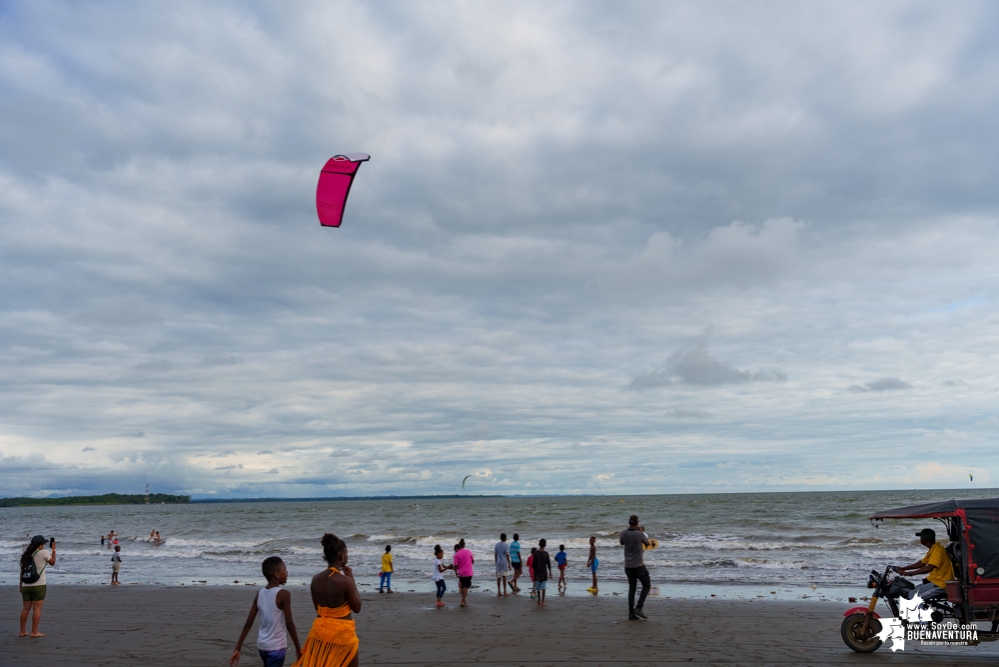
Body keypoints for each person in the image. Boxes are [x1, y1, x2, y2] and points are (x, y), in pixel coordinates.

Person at [293, 534, 361, 667]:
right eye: (346, 554)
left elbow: (319, 610)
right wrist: (352, 579)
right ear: (341, 556)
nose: (347, 556)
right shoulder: (346, 581)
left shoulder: (315, 579)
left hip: (320, 634)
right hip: (343, 637)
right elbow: (357, 607)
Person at [231, 557, 303, 667]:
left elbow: (248, 623)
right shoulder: (283, 594)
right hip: (276, 647)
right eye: (285, 569)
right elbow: (290, 624)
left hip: (262, 646)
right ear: (277, 574)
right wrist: (298, 649)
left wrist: (238, 648)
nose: (287, 572)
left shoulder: (260, 594)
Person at [896, 528, 955, 601]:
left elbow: (929, 568)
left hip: (940, 584)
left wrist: (911, 573)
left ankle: (923, 612)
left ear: (924, 540)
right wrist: (903, 568)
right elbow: (921, 563)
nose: (920, 539)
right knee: (909, 591)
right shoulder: (933, 549)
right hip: (934, 581)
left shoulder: (938, 551)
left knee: (913, 597)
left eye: (921, 538)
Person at [19, 535, 56, 637]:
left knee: (25, 609)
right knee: (37, 609)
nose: (44, 545)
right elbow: (52, 562)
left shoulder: (26, 554)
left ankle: (22, 631)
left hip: (26, 585)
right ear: (40, 545)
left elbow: (22, 571)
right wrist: (53, 550)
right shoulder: (44, 553)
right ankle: (34, 632)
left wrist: (21, 585)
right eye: (43, 543)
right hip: (38, 585)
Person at [620, 515, 651, 620]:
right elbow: (647, 544)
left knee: (632, 589)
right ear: (637, 523)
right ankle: (638, 607)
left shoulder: (623, 533)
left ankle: (631, 613)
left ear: (629, 522)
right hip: (639, 566)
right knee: (646, 585)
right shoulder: (640, 534)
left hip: (628, 566)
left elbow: (621, 542)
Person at [453, 540, 475, 608]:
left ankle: (463, 600)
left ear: (457, 548)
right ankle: (463, 601)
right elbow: (472, 561)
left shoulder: (456, 555)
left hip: (461, 573)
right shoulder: (468, 551)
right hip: (469, 572)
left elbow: (456, 565)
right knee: (466, 586)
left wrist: (456, 572)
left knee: (462, 587)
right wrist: (468, 564)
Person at [531, 539, 552, 607]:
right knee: (543, 588)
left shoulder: (536, 553)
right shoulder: (546, 553)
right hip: (544, 572)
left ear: (539, 544)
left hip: (537, 572)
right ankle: (543, 601)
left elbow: (533, 564)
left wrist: (534, 571)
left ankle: (539, 600)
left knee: (538, 588)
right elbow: (548, 564)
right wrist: (550, 572)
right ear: (545, 545)